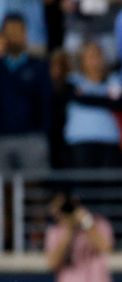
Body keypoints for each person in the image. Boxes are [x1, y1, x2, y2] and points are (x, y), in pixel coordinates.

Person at [0, 13, 51, 174]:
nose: (14, 35)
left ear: (25, 33)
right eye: (10, 31)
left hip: (32, 138)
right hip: (2, 138)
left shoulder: (39, 67)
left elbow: (47, 102)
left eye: (18, 31)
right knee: (3, 194)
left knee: (35, 192)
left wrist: (43, 132)